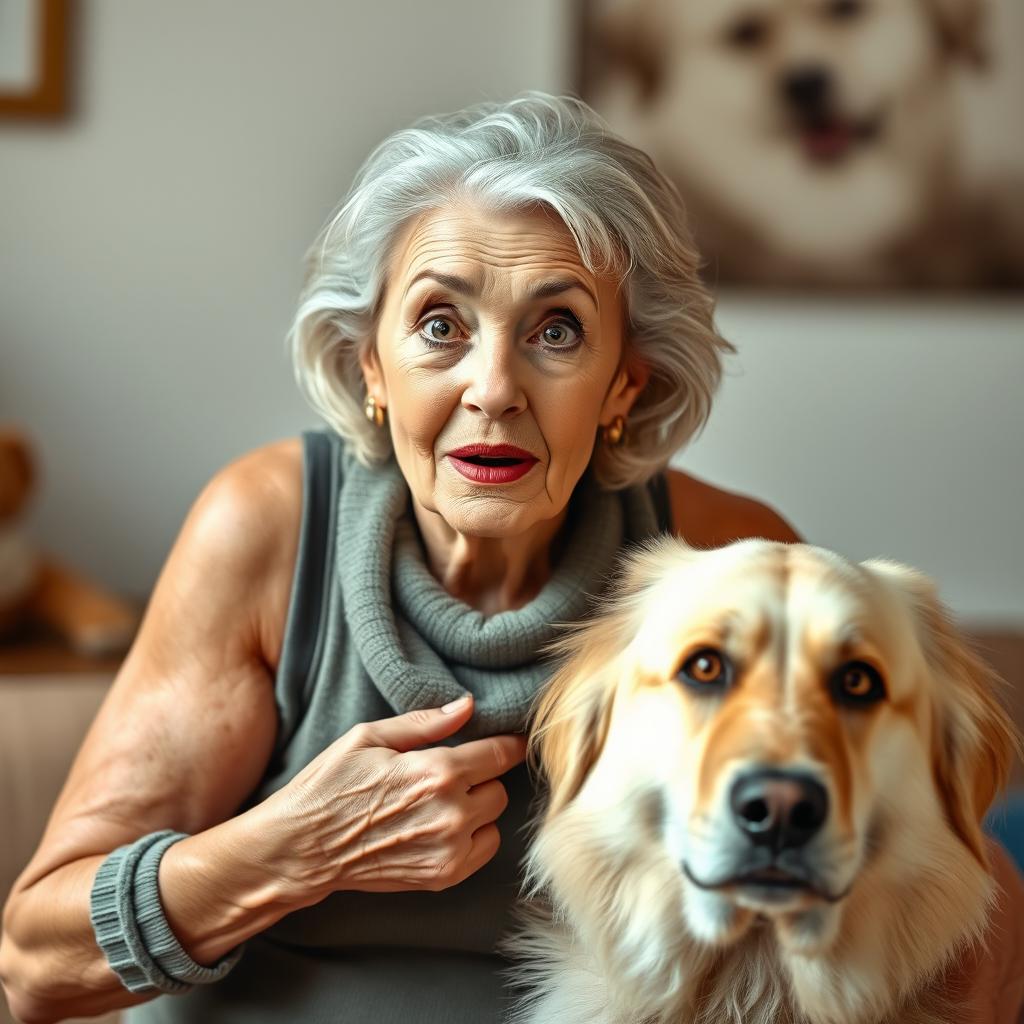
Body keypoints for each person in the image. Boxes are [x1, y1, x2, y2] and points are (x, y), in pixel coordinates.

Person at [0, 92, 1019, 1024]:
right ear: (371, 367)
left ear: (627, 381)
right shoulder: (266, 528)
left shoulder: (714, 561)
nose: (492, 386)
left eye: (557, 331)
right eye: (439, 324)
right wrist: (294, 846)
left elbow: (943, 880)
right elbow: (33, 959)